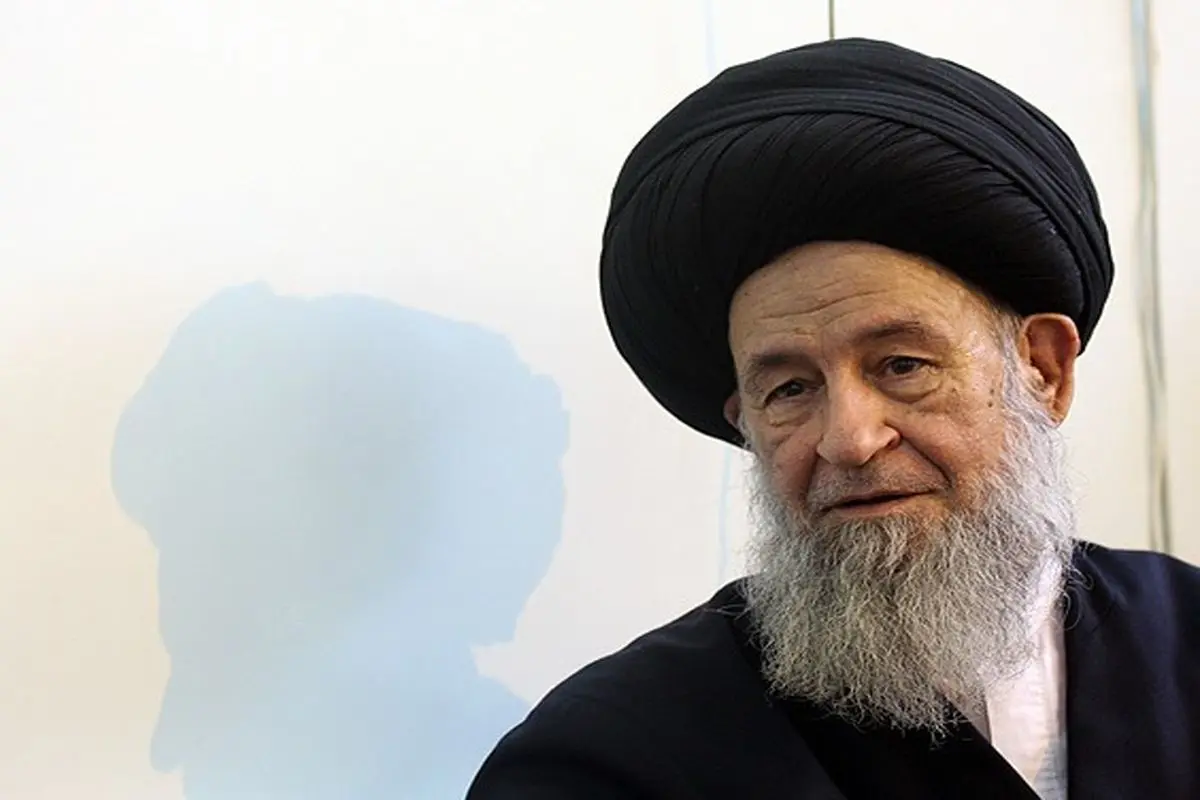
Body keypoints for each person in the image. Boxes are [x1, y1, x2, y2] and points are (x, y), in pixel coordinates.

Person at [467, 37, 1200, 799]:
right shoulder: (607, 753)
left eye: (902, 365)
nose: (849, 440)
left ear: (1042, 370)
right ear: (746, 425)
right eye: (790, 389)